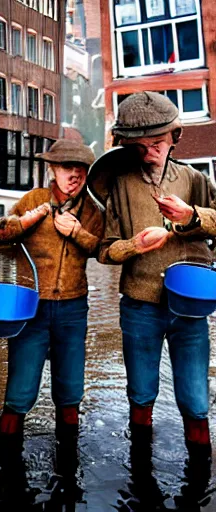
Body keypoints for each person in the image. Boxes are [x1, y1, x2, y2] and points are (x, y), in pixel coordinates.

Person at [94, 91, 216, 466]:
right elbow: (104, 250)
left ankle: (200, 471)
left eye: (158, 143)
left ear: (174, 137)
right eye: (140, 146)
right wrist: (134, 245)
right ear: (127, 146)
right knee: (141, 393)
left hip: (191, 307)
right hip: (139, 307)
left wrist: (190, 217)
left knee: (195, 400)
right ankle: (140, 470)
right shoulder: (119, 185)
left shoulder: (195, 179)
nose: (150, 153)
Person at [0, 139, 104, 480]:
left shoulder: (92, 210)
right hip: (32, 309)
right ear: (52, 170)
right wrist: (29, 220)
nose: (75, 175)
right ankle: (6, 471)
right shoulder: (32, 199)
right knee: (20, 390)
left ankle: (68, 470)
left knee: (70, 391)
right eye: (68, 168)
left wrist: (78, 233)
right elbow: (0, 235)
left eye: (81, 170)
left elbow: (102, 250)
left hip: (73, 309)